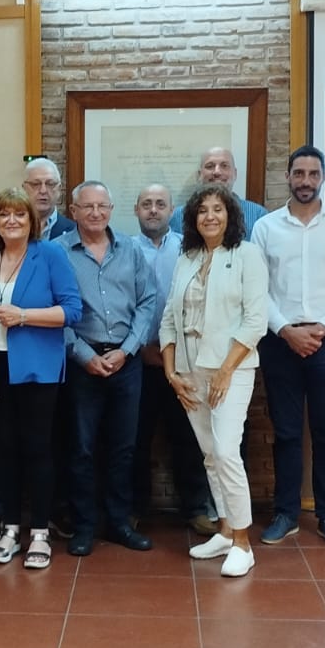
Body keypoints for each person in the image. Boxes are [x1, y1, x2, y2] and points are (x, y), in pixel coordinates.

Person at [251, 146, 325, 549]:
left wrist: (322, 328)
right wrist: (286, 329)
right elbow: (257, 289)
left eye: (312, 174)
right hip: (280, 342)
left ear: (323, 178)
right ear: (288, 176)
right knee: (284, 433)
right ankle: (285, 514)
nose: (305, 181)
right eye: (298, 173)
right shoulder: (266, 228)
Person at [161, 183, 269, 577]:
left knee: (226, 453)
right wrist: (172, 373)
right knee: (210, 453)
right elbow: (170, 318)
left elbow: (256, 321)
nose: (210, 216)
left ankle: (243, 542)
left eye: (218, 209)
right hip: (190, 371)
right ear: (192, 218)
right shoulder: (186, 257)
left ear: (231, 215)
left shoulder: (247, 255)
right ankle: (225, 530)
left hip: (232, 371)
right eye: (202, 210)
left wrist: (226, 370)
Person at [0, 188, 82, 569]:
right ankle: (10, 528)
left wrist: (23, 315)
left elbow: (72, 311)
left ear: (31, 220)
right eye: (4, 215)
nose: (11, 221)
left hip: (37, 366)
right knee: (4, 449)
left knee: (37, 448)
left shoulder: (49, 254)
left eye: (19, 214)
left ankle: (39, 533)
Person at [57, 181, 156, 555]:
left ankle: (118, 522)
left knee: (123, 448)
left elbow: (147, 302)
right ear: (74, 211)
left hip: (126, 362)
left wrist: (128, 350)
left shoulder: (130, 249)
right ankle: (84, 527)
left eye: (102, 206)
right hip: (83, 362)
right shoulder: (58, 252)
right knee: (81, 449)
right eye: (88, 207)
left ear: (112, 209)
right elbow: (55, 312)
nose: (95, 213)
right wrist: (84, 354)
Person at [131, 183, 216, 535]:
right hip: (137, 359)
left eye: (160, 204)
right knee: (135, 440)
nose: (153, 210)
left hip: (183, 361)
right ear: (136, 210)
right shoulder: (123, 249)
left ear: (172, 211)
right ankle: (134, 509)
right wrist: (140, 348)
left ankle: (195, 508)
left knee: (189, 437)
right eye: (146, 204)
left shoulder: (190, 250)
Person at [0, 157, 76, 250]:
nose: (43, 190)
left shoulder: (74, 230)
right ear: (24, 188)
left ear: (59, 189)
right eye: (35, 184)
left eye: (50, 184)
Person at [168, 147, 268, 234]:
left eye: (224, 166)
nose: (217, 172)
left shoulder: (258, 215)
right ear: (199, 175)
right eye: (210, 166)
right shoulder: (177, 217)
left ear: (235, 173)